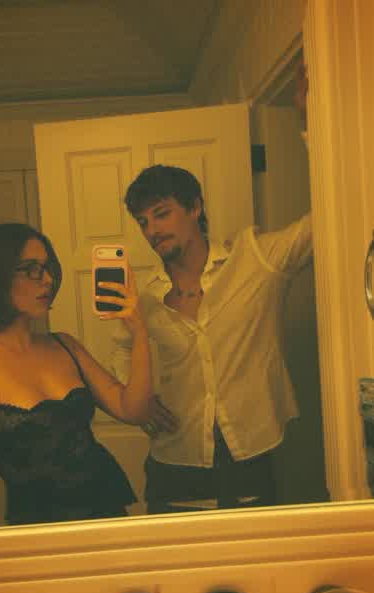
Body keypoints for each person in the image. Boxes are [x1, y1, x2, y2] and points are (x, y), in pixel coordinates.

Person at [111, 64, 311, 514]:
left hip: (252, 454)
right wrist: (139, 403)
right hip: (173, 461)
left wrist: (311, 126)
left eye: (162, 213)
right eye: (143, 221)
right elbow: (121, 348)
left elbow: (326, 221)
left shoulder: (255, 259)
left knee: (256, 555)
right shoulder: (144, 297)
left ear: (195, 207)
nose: (151, 230)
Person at [0, 222, 154, 530]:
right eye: (30, 269)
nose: (47, 280)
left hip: (107, 517)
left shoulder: (64, 345)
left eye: (47, 268)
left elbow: (134, 410)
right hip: (37, 528)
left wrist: (139, 333)